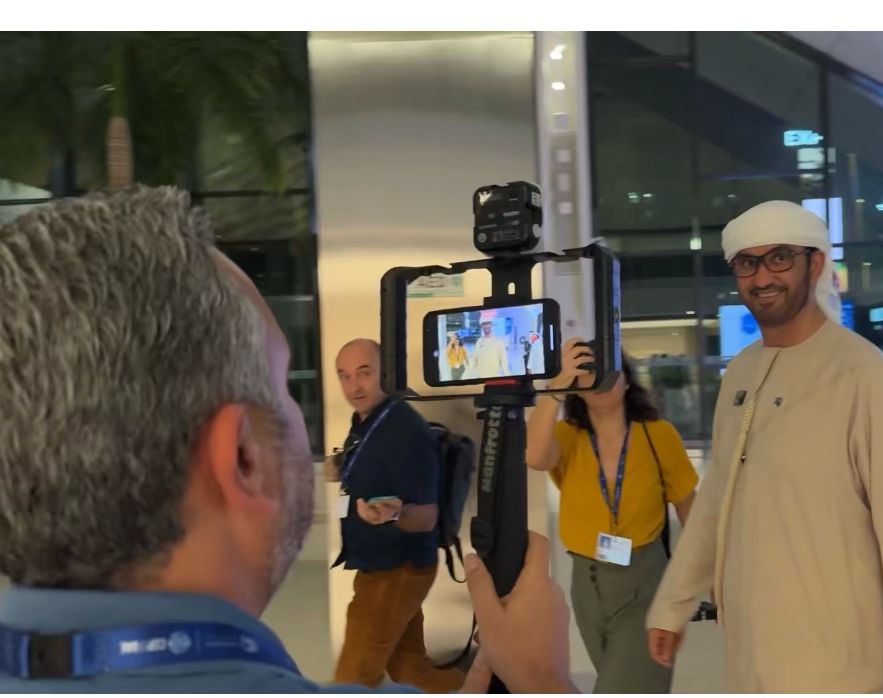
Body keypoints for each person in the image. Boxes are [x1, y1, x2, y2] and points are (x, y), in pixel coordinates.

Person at [0, 187, 576, 694]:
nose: (349, 388)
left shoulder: (397, 426)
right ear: (243, 457)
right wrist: (545, 684)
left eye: (362, 374)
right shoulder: (364, 427)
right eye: (281, 388)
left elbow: (421, 514)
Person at [645, 201, 883, 693]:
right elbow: (715, 504)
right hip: (750, 653)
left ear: (815, 264)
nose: (762, 276)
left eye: (780, 258)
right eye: (747, 263)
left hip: (839, 661)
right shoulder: (742, 371)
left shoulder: (864, 375)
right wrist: (672, 603)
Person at [526, 343, 698, 693]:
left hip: (645, 581)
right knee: (628, 682)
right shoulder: (568, 437)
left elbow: (690, 510)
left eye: (609, 370)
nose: (601, 380)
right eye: (589, 371)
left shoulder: (658, 434)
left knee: (621, 686)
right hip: (587, 584)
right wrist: (554, 389)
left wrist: (697, 581)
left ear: (628, 380)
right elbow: (534, 455)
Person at [330, 338, 463, 691]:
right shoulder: (366, 419)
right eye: (344, 376)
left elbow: (428, 518)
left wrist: (392, 514)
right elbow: (370, 464)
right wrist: (340, 467)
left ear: (385, 372)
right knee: (410, 671)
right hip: (375, 563)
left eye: (364, 373)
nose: (353, 386)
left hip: (397, 570)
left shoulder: (406, 431)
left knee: (351, 681)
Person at [468, 314, 509, 379]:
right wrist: (468, 375)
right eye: (484, 324)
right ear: (481, 326)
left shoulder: (499, 341)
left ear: (491, 325)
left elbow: (504, 362)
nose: (486, 326)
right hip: (480, 378)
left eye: (488, 323)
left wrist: (508, 377)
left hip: (494, 378)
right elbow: (474, 360)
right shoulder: (479, 341)